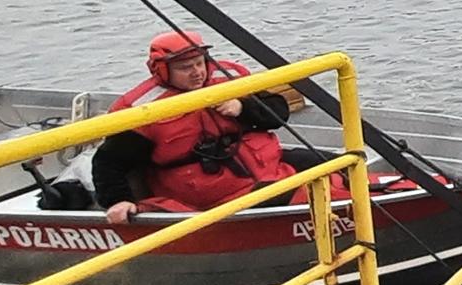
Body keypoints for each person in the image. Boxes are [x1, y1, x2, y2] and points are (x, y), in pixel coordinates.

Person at [92, 30, 325, 223]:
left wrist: (242, 108)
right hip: (215, 194)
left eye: (199, 63)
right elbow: (108, 162)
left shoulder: (229, 77)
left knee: (345, 167)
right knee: (304, 194)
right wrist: (118, 200)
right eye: (185, 67)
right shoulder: (145, 110)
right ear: (162, 71)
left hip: (267, 167)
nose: (197, 72)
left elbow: (278, 113)